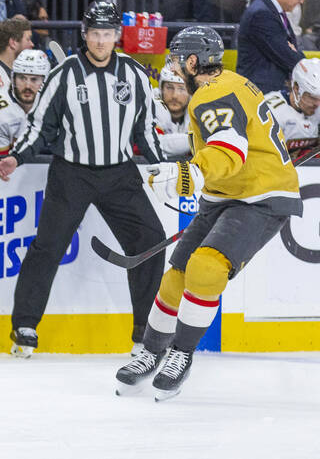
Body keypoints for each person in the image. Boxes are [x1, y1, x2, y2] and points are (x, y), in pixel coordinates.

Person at [115, 26, 301, 401]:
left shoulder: (210, 95)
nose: (172, 65)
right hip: (227, 194)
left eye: (176, 59)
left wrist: (194, 171)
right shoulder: (231, 82)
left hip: (261, 196)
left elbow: (230, 147)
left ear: (193, 61)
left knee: (206, 268)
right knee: (175, 278)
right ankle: (151, 351)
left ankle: (181, 354)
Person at [0, 1, 167, 358]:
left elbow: (145, 130)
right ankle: (25, 327)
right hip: (71, 173)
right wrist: (17, 155)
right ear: (84, 35)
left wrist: (162, 165)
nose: (101, 41)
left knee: (151, 243)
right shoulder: (65, 74)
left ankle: (143, 335)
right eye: (95, 34)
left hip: (119, 174)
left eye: (107, 34)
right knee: (47, 247)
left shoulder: (134, 75)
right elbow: (41, 126)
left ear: (117, 35)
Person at [236, 0, 310, 94]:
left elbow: (292, 52)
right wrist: (293, 53)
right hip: (259, 95)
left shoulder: (271, 10)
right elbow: (290, 58)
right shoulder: (261, 14)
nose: (302, 1)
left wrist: (293, 51)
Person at [0, 49, 50, 155]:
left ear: (46, 80)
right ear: (13, 78)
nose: (27, 86)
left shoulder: (59, 103)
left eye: (34, 79)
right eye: (22, 78)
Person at [263, 57, 320, 157]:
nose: (318, 104)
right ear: (296, 88)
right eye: (312, 97)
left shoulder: (315, 106)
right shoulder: (270, 111)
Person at [154, 64, 192, 158]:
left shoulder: (199, 109)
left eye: (181, 88)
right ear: (161, 89)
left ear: (190, 92)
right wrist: (196, 141)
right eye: (169, 87)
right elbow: (153, 143)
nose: (174, 95)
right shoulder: (151, 106)